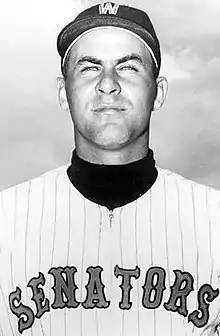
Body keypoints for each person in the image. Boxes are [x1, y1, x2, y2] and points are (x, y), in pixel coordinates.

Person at [0, 2, 220, 336]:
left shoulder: (213, 220)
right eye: (89, 68)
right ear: (64, 93)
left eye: (129, 67)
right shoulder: (7, 221)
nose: (108, 84)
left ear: (158, 92)